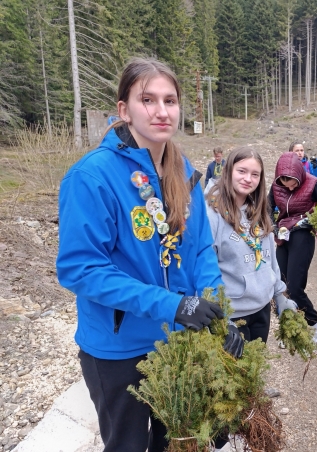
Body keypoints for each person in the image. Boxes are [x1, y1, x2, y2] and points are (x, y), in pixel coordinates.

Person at [56, 58, 244, 452]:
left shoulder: (183, 170)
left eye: (170, 100)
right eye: (148, 99)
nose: (161, 111)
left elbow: (200, 250)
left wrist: (212, 310)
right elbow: (81, 270)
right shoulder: (92, 176)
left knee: (177, 441)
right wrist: (172, 304)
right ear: (124, 109)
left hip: (176, 340)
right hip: (119, 349)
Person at [206, 147, 297, 343]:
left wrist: (279, 295)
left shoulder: (259, 211)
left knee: (256, 370)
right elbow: (205, 269)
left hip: (261, 309)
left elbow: (269, 256)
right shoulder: (212, 215)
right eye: (242, 171)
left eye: (255, 174)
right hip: (232, 314)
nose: (248, 179)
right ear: (228, 170)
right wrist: (219, 315)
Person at [268, 152, 317, 347]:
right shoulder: (277, 186)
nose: (289, 186)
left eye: (293, 182)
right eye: (285, 183)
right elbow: (267, 208)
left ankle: (315, 327)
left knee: (295, 287)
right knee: (281, 286)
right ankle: (290, 330)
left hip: (303, 235)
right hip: (283, 235)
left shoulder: (313, 184)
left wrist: (313, 221)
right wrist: (272, 225)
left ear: (300, 174)